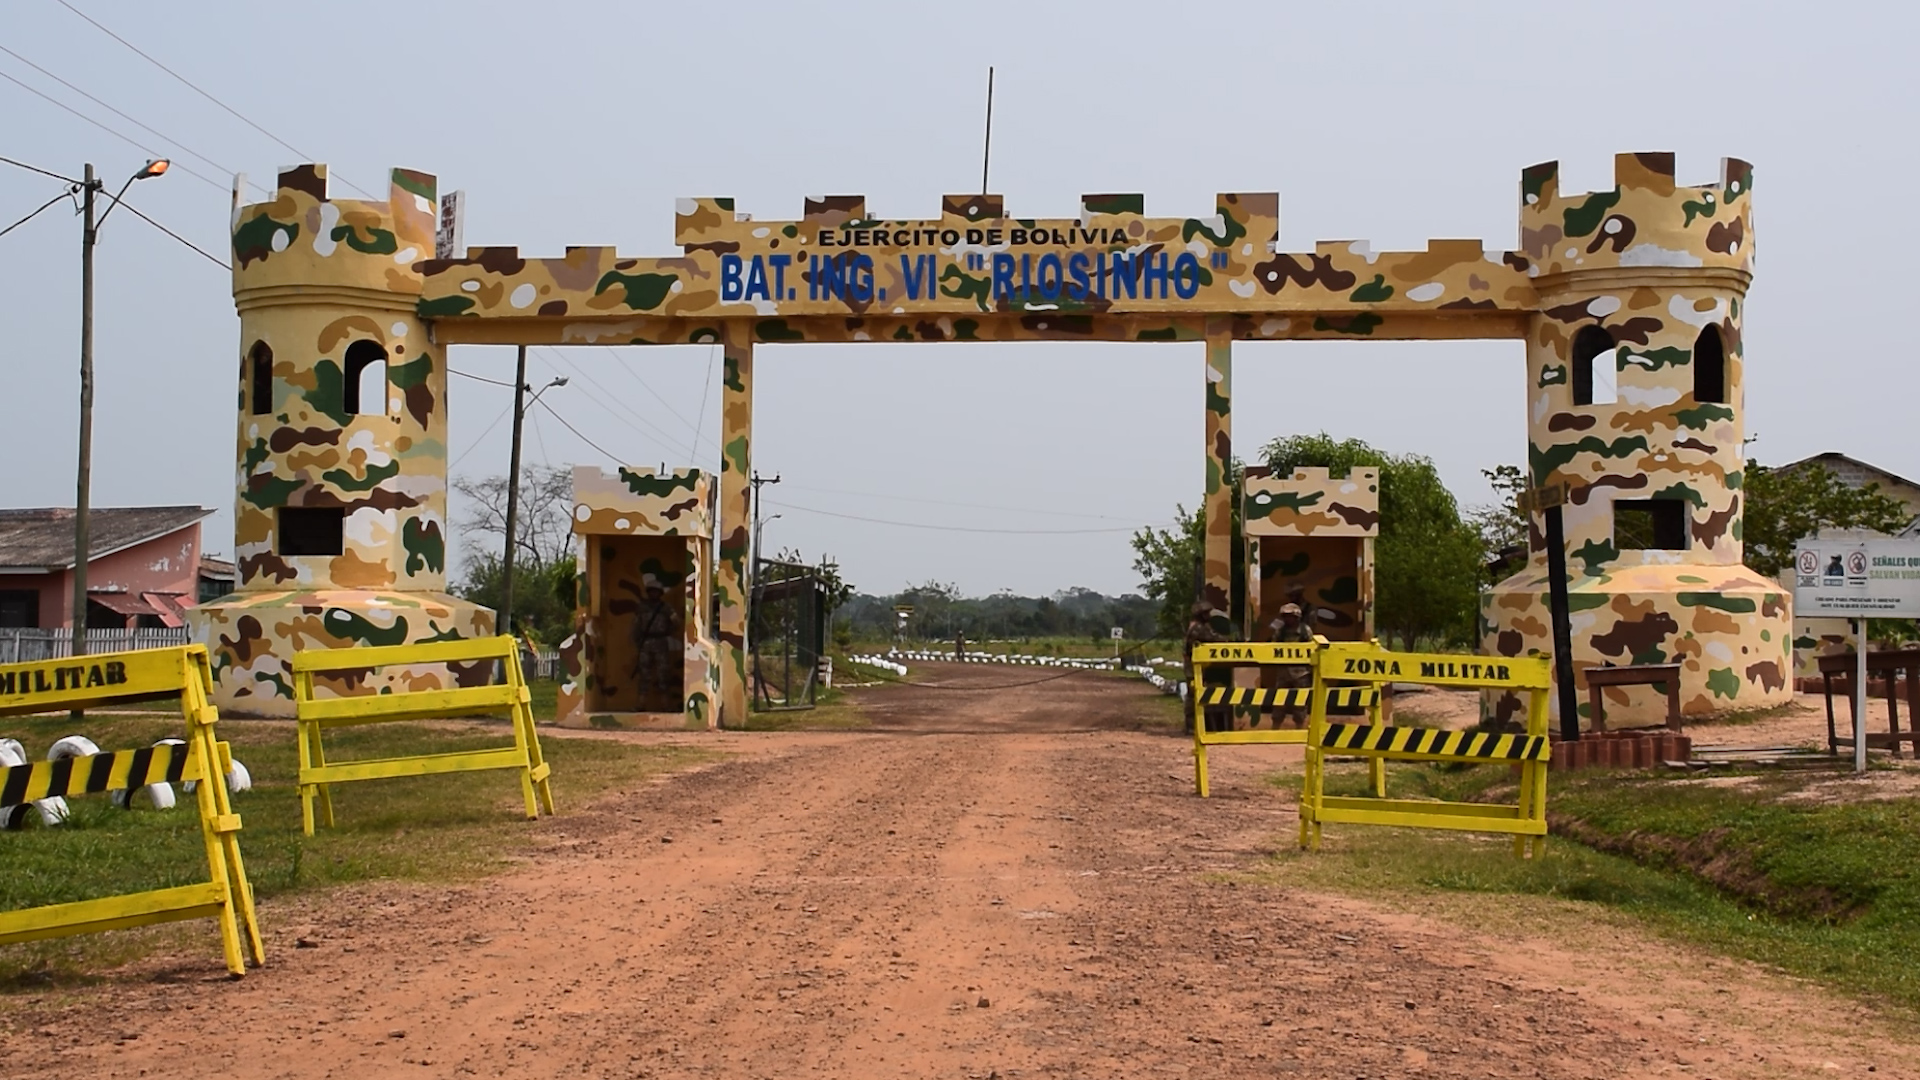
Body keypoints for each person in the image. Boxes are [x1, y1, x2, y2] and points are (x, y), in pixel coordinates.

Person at [631, 575, 683, 712]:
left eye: (656, 591)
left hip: (660, 643)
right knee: (644, 675)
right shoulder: (642, 607)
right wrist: (638, 641)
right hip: (646, 644)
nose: (653, 593)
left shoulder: (666, 608)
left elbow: (676, 622)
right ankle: (640, 705)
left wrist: (668, 632)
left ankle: (666, 705)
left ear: (660, 593)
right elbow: (636, 626)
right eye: (651, 591)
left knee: (663, 675)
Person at [1184, 601, 1231, 734]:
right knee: (1193, 695)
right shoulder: (1198, 628)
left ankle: (1193, 726)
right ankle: (1192, 726)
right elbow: (1213, 638)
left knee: (1195, 694)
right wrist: (1230, 642)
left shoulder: (1200, 625)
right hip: (1192, 665)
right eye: (1206, 613)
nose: (1208, 615)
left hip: (1196, 665)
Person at [1266, 602, 1313, 727]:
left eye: (1290, 616)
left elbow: (1312, 649)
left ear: (1296, 617)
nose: (1287, 619)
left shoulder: (1305, 630)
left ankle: (1300, 727)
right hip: (1283, 671)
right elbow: (1273, 646)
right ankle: (1275, 727)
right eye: (1285, 616)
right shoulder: (1280, 631)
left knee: (1300, 702)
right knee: (1279, 701)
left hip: (1301, 672)